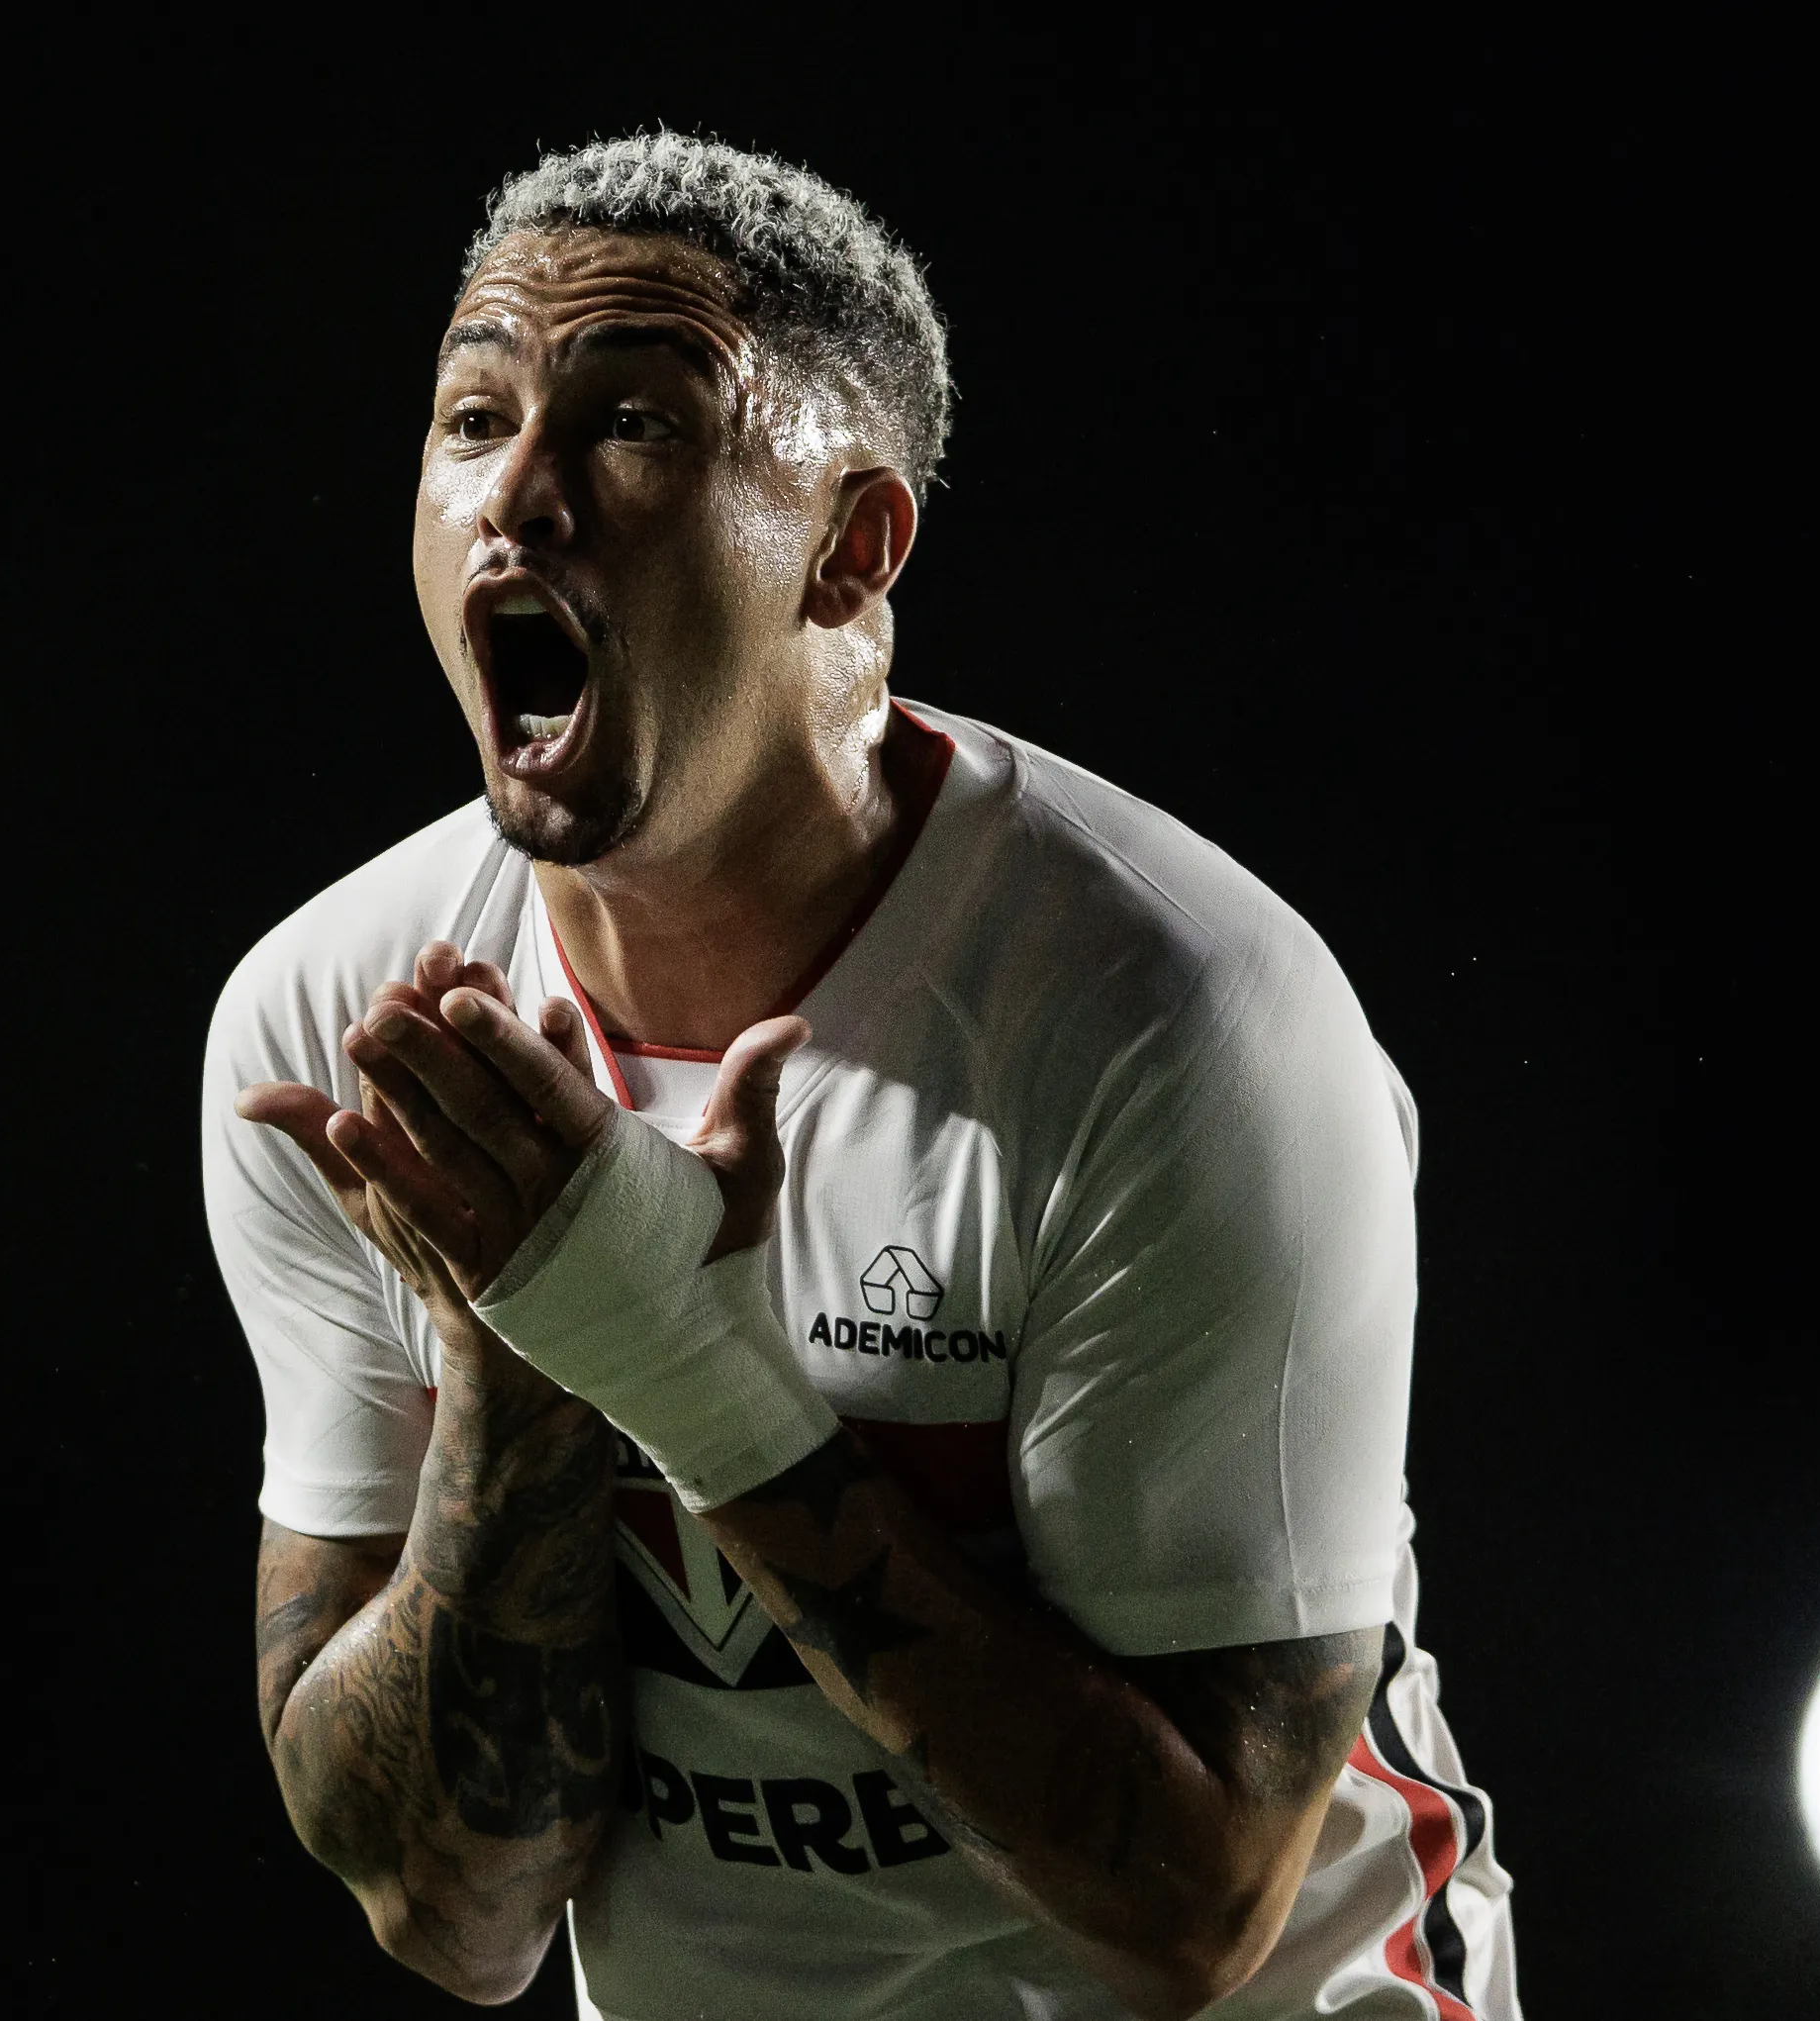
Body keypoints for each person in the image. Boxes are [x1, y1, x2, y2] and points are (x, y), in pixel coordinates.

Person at [203, 132, 1519, 2021]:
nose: (523, 496)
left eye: (634, 421)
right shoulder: (337, 1026)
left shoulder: (1175, 1018)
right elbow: (450, 1914)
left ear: (852, 546)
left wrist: (680, 1368)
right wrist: (521, 1367)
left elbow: (1190, 1913)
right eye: (472, 415)